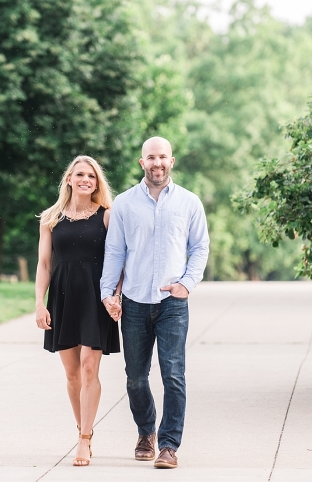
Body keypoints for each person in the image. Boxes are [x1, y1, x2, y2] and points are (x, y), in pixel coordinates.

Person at [100, 136, 209, 469]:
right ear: (142, 162)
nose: (157, 163)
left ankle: (169, 445)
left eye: (163, 157)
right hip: (134, 302)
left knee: (173, 374)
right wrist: (108, 293)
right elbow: (115, 251)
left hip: (172, 303)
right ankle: (146, 431)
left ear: (171, 161)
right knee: (135, 377)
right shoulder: (124, 204)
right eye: (151, 157)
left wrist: (186, 284)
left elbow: (200, 247)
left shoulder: (189, 202)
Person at [35, 155, 122, 467]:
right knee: (72, 373)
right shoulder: (51, 217)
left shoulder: (107, 216)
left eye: (92, 176)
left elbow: (118, 259)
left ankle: (84, 439)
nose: (86, 180)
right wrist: (39, 302)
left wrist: (115, 296)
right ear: (69, 179)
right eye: (80, 174)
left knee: (88, 367)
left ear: (97, 183)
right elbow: (45, 263)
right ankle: (82, 428)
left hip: (95, 298)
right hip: (62, 297)